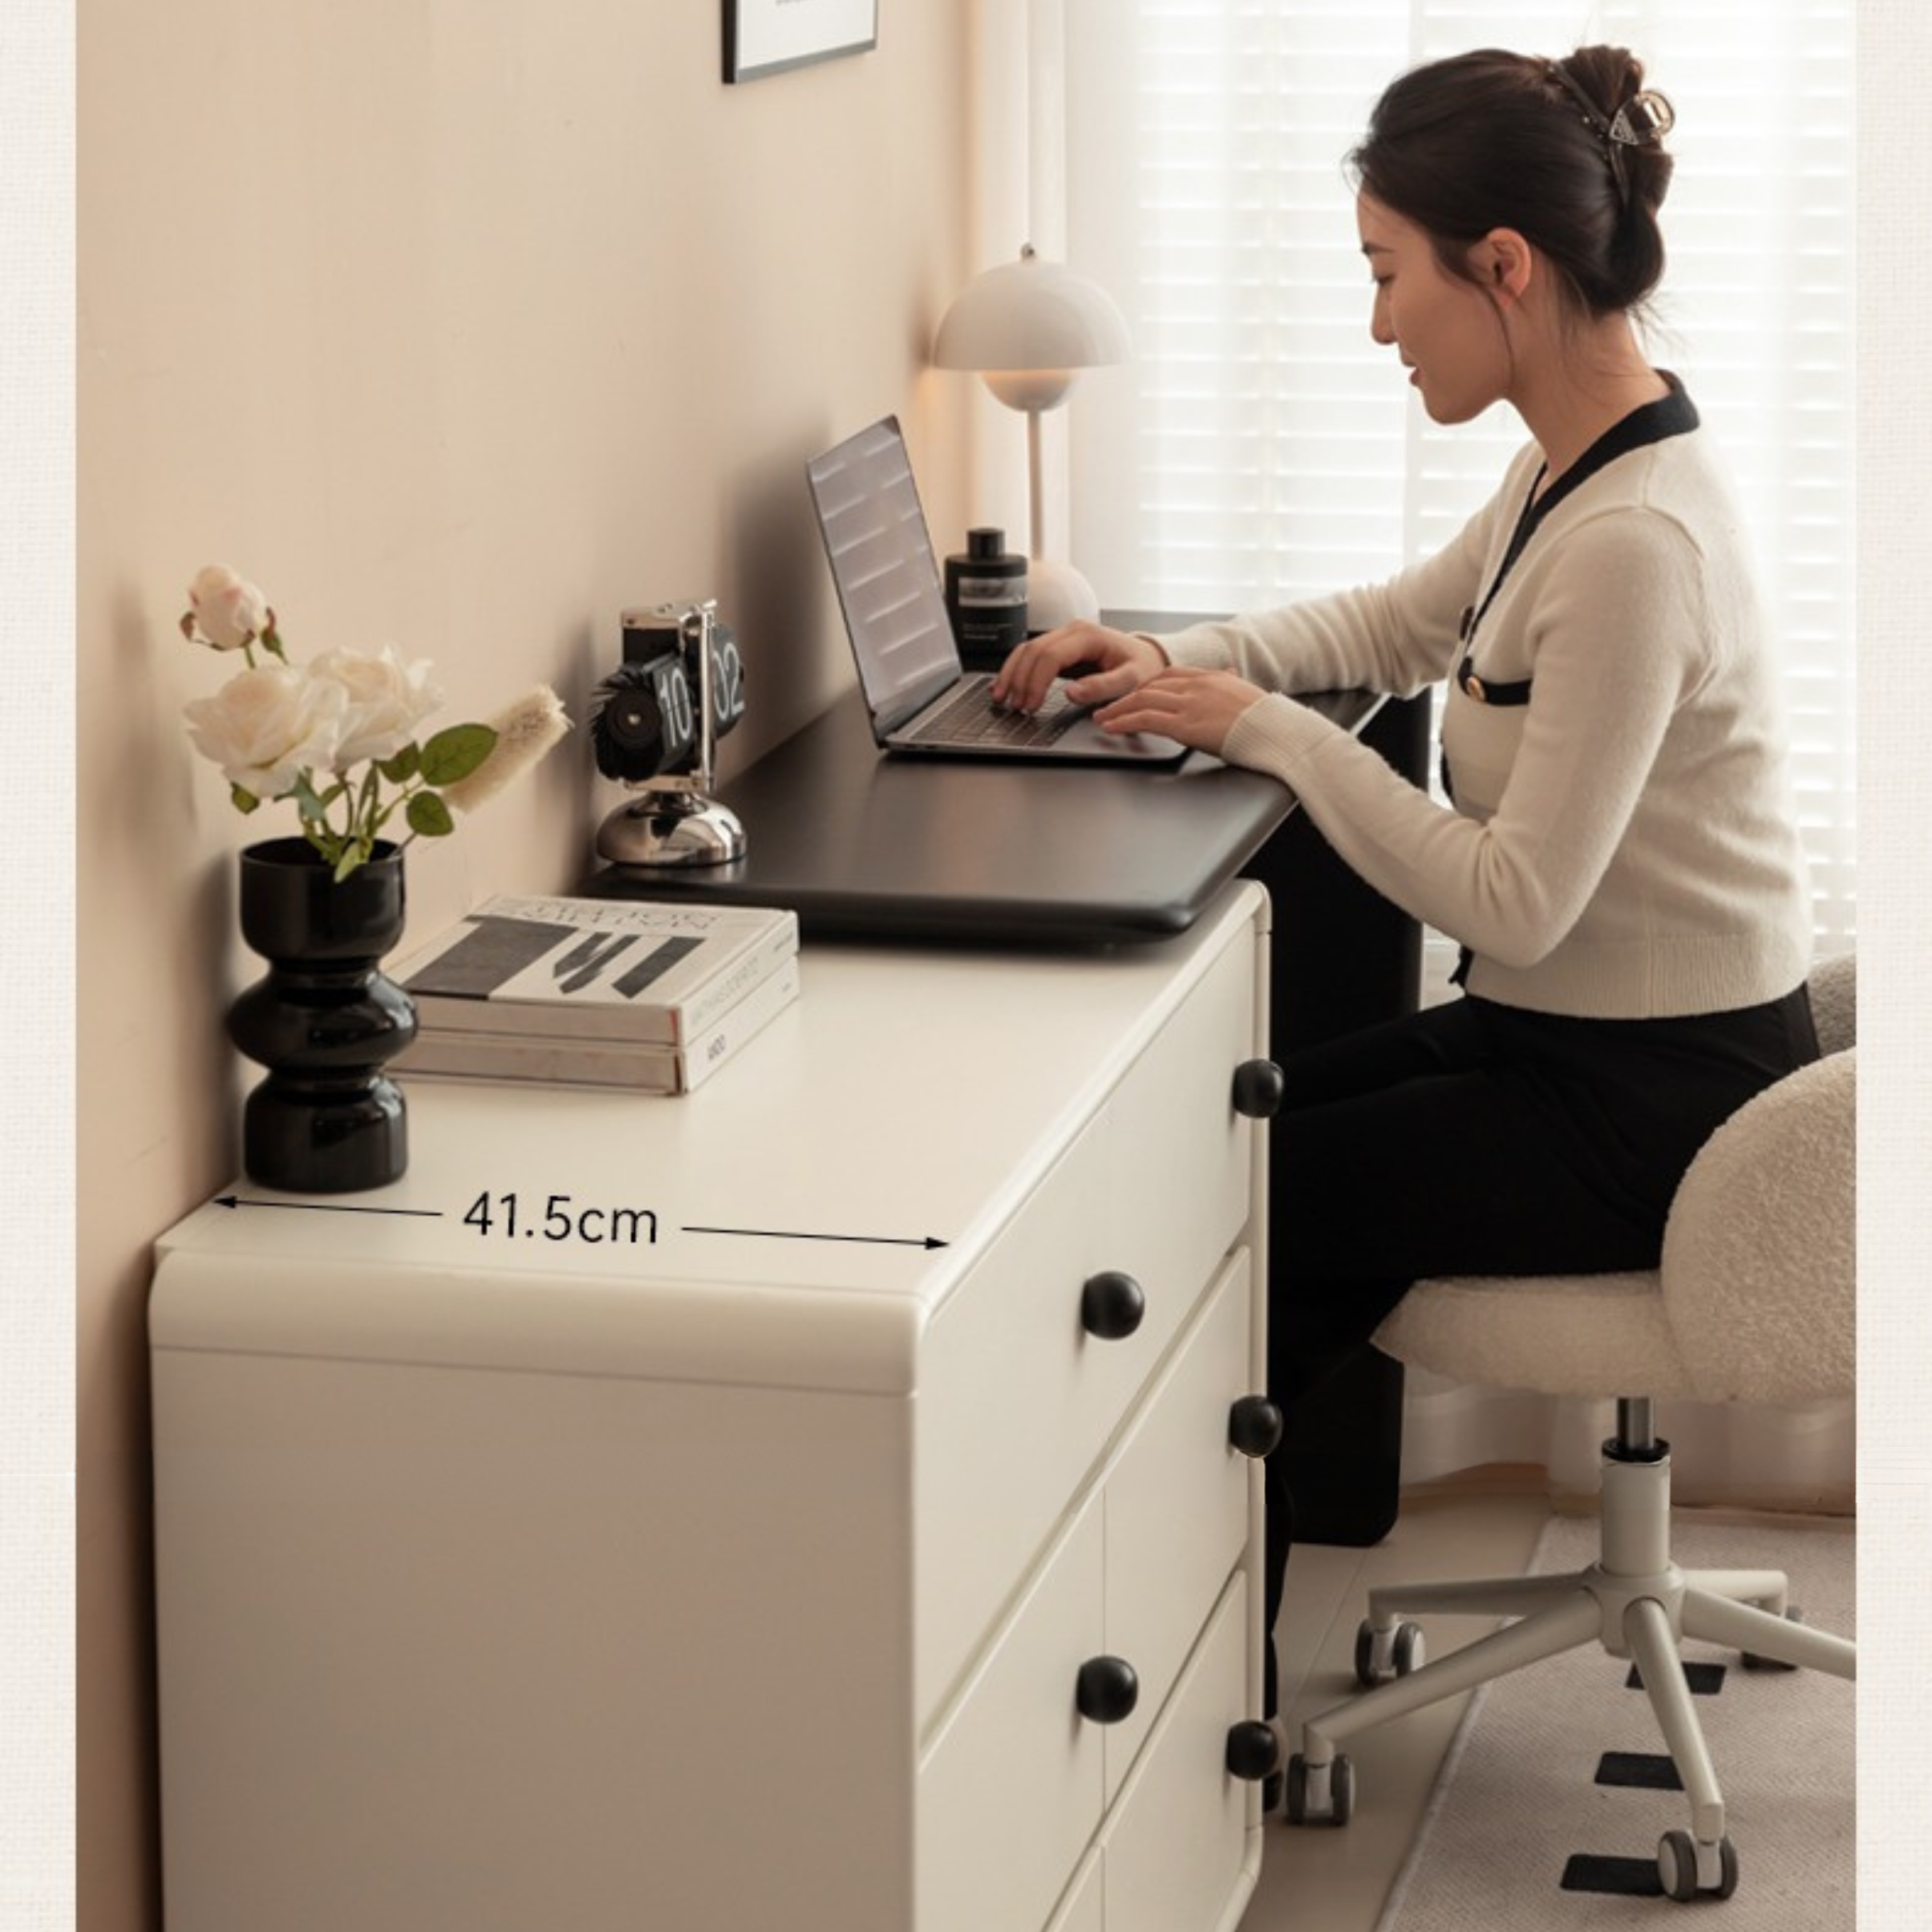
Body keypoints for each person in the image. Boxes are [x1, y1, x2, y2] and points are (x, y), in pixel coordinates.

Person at [992, 45, 1819, 1729]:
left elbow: (1513, 902)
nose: (1377, 325)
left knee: (1262, 1208)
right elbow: (1386, 626)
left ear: (1499, 267)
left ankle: (1174, 1658)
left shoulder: (1634, 547)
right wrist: (1169, 659)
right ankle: (1167, 1614)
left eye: (1388, 275)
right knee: (1231, 1131)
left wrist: (1275, 741)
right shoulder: (1565, 471)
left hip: (1659, 1097)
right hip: (1564, 1045)